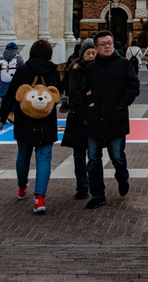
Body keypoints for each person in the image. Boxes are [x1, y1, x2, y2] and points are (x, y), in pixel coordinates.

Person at [0, 38, 62, 215]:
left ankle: (21, 186)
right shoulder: (53, 71)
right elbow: (57, 95)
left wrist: (2, 118)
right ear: (49, 53)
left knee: (23, 155)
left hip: (24, 118)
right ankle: (39, 197)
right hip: (46, 120)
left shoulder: (23, 69)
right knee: (44, 158)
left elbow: (11, 94)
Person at [82, 29, 140, 209]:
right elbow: (83, 89)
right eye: (103, 44)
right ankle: (98, 194)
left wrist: (121, 104)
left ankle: (122, 177)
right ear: (96, 47)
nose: (107, 46)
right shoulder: (91, 68)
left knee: (117, 156)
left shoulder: (123, 64)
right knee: (93, 159)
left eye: (110, 43)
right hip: (95, 118)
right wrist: (89, 102)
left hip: (116, 117)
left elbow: (134, 87)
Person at [61, 39, 96, 199]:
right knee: (79, 155)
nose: (90, 56)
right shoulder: (75, 69)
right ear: (82, 54)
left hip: (95, 117)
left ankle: (94, 185)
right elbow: (74, 93)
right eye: (88, 53)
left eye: (93, 53)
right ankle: (82, 187)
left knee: (94, 155)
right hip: (79, 118)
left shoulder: (100, 68)